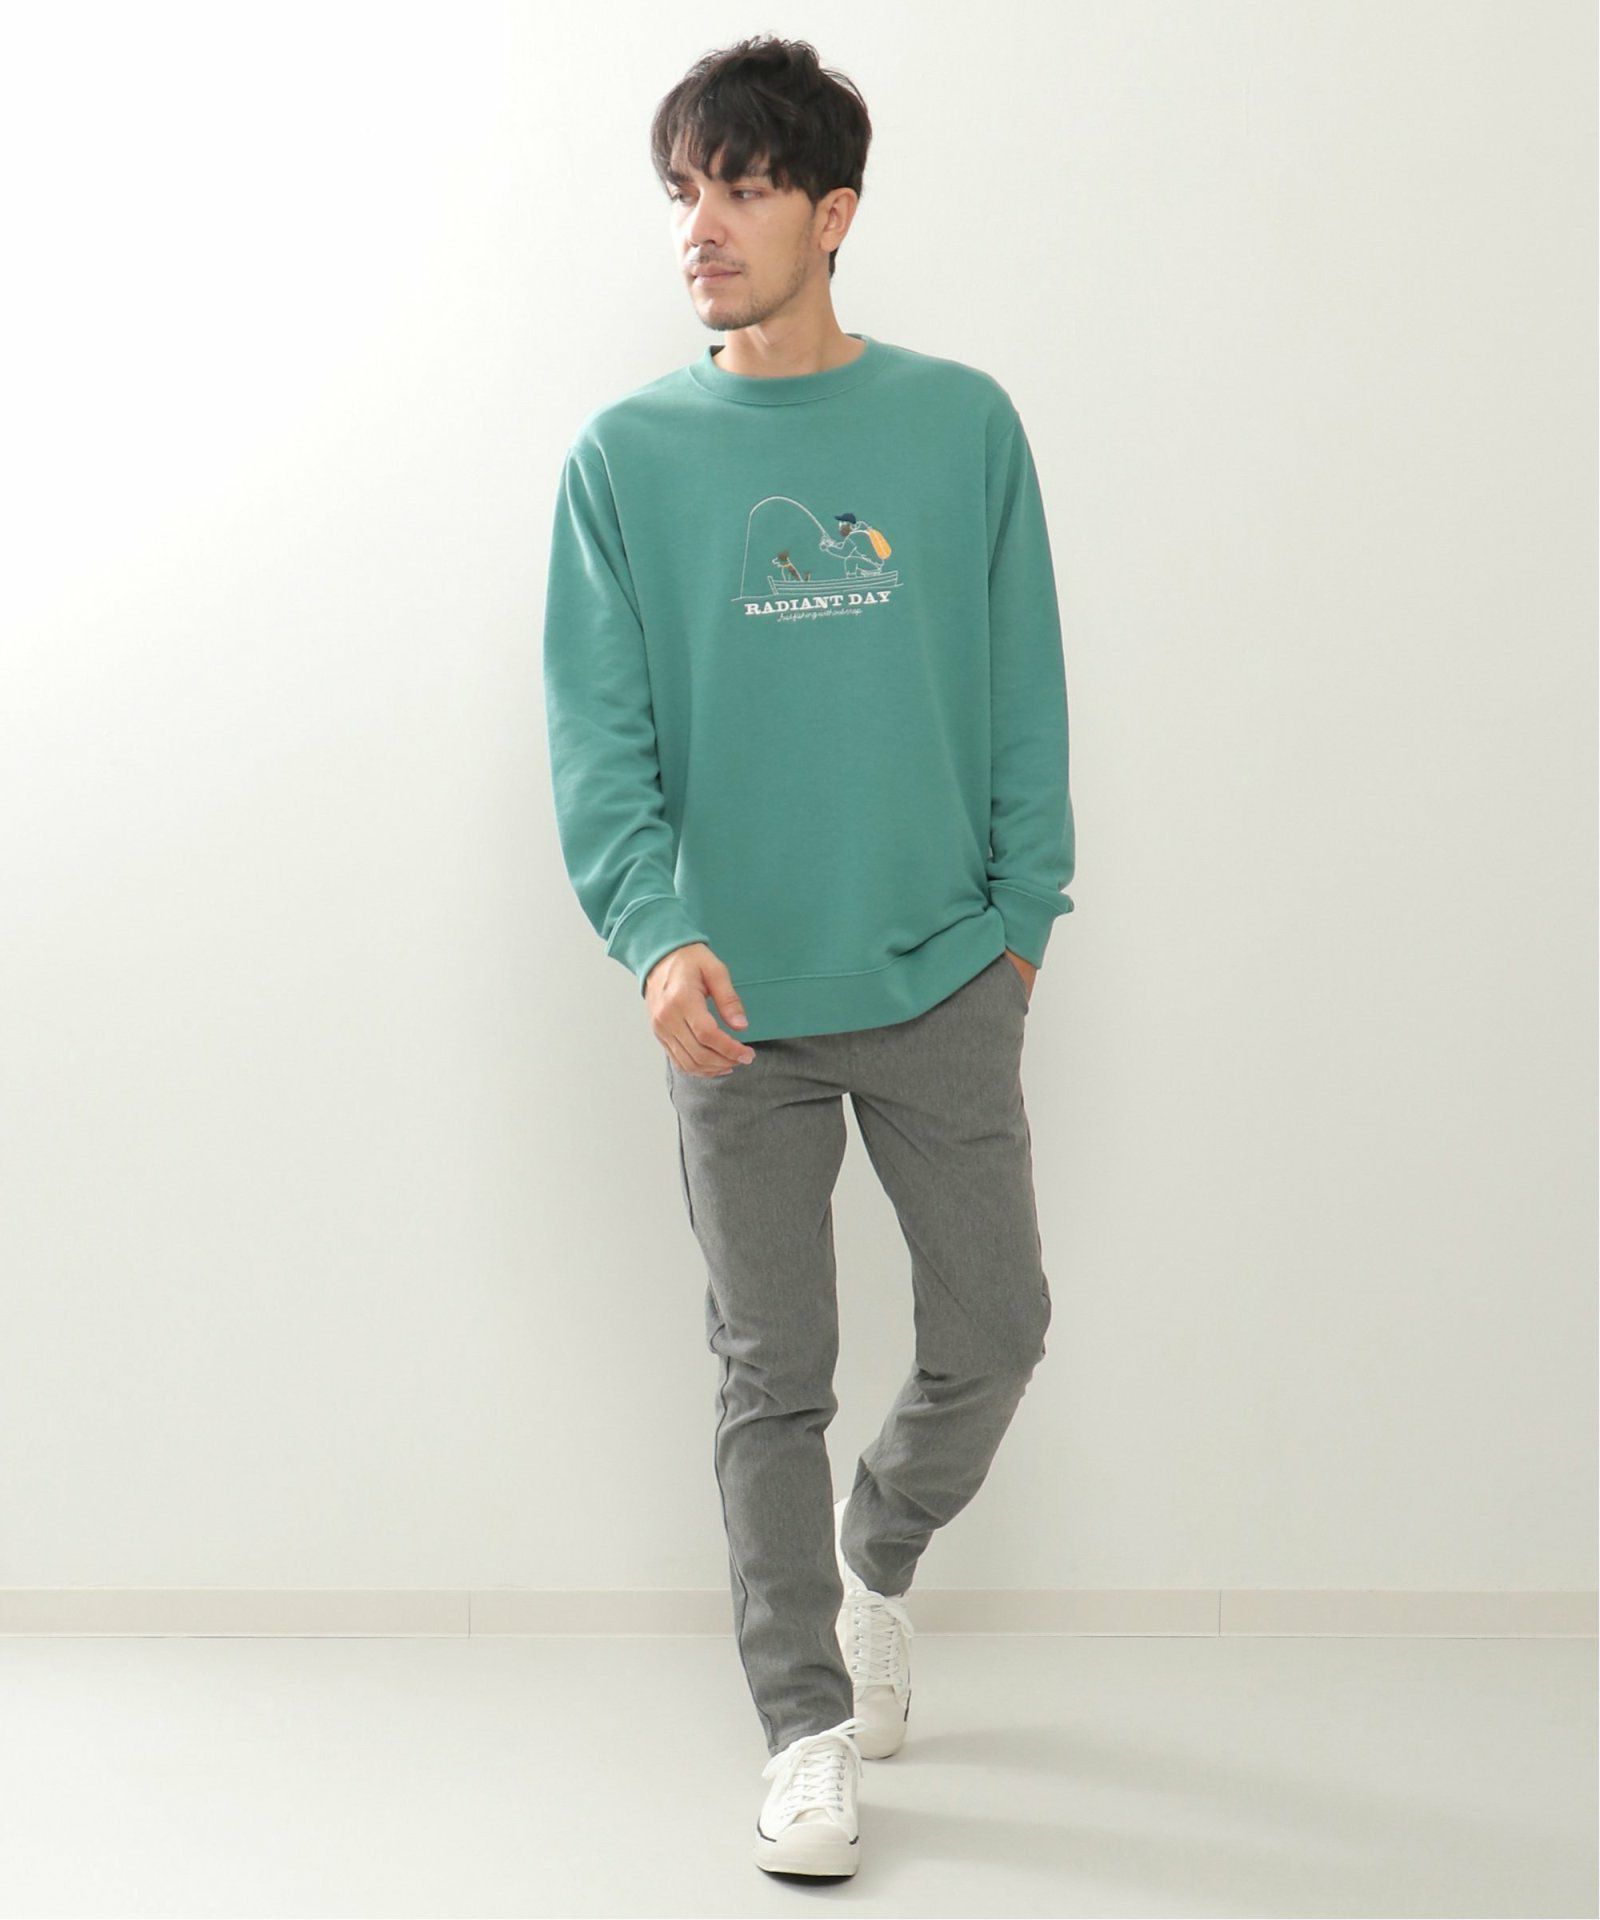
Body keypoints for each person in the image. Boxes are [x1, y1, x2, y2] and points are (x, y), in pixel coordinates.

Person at [541, 33, 1075, 1883]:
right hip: (735, 1006)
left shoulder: (961, 426)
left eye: (744, 187)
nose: (701, 225)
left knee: (996, 1335)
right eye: (684, 190)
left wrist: (1018, 931)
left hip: (941, 977)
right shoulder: (626, 460)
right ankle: (805, 1731)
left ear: (833, 214)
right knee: (771, 1375)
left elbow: (1025, 697)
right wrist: (653, 937)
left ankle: (877, 1558)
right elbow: (600, 744)